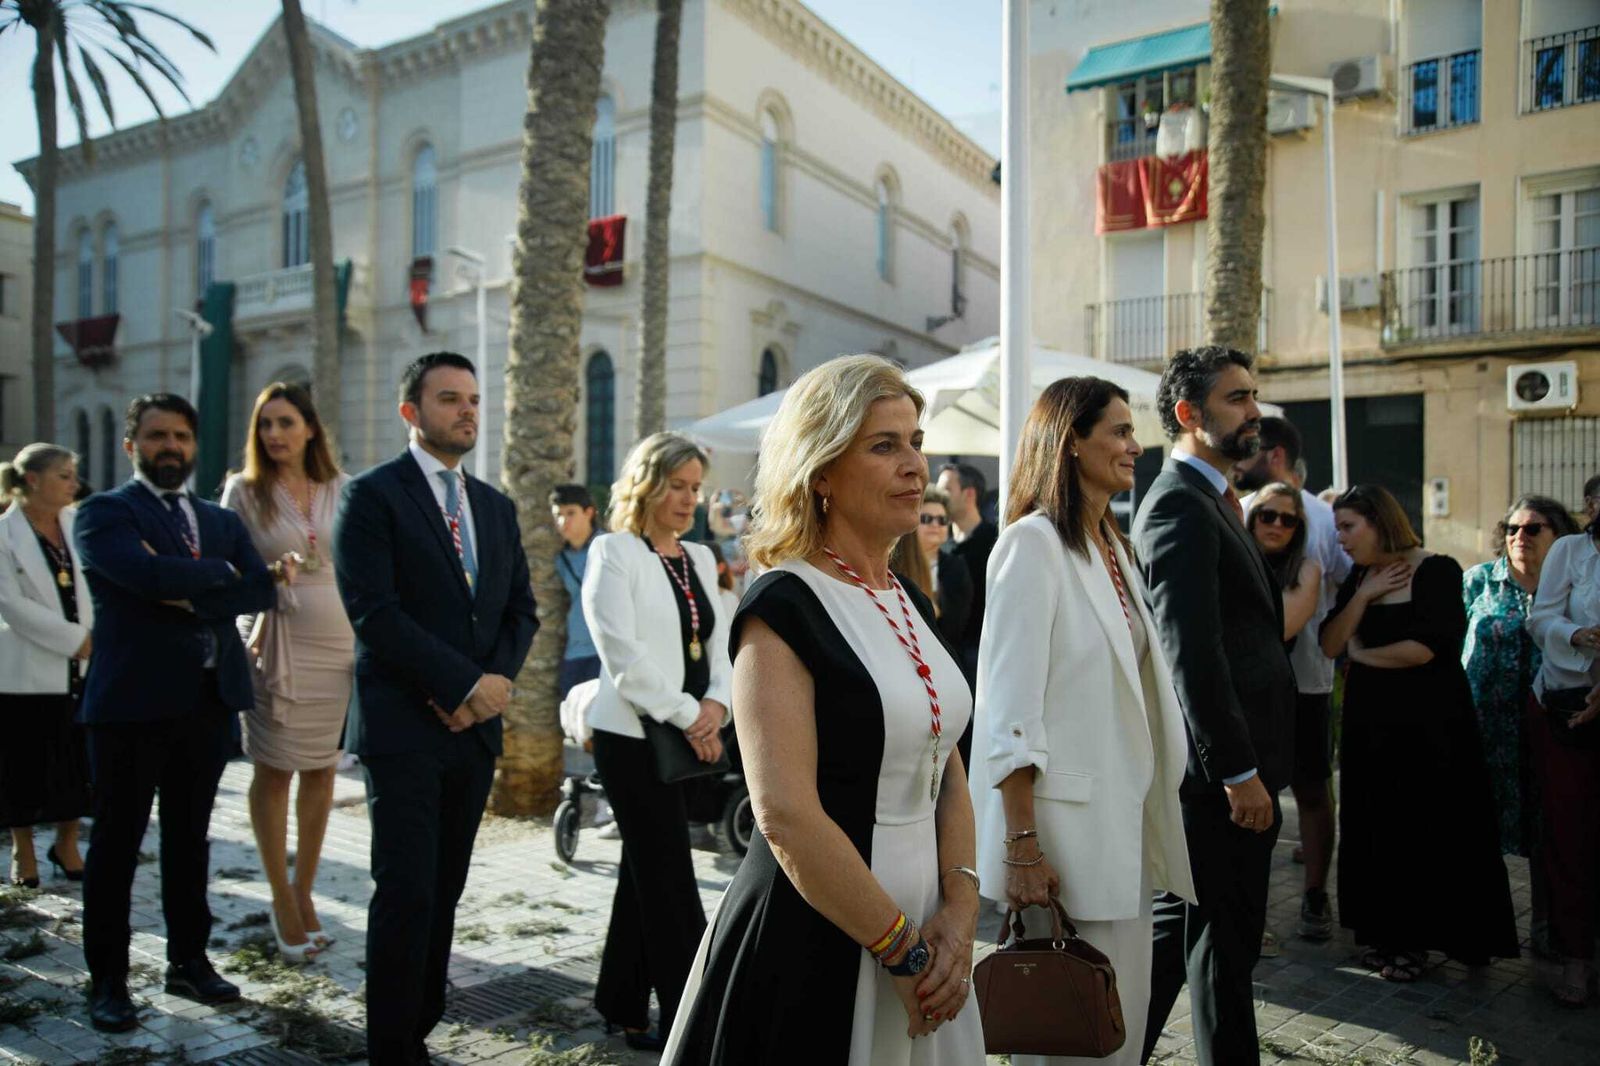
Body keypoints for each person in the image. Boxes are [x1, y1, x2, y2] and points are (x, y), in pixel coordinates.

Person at [665, 354, 983, 1064]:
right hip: (817, 932)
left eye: (916, 442)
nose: (916, 466)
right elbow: (785, 814)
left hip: (930, 927)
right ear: (821, 473)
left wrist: (961, 910)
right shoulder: (783, 606)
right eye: (884, 445)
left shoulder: (908, 599)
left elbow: (948, 767)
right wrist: (903, 952)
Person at [972, 377, 1194, 1066]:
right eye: (1120, 431)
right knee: (1067, 1037)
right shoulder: (1033, 544)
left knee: (1115, 1031)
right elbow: (1009, 711)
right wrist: (1023, 847)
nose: (1136, 446)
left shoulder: (1111, 546)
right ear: (1071, 441)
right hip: (1063, 843)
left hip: (1125, 828)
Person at [332, 352, 538, 1064]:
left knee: (445, 888)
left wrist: (491, 689)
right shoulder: (372, 496)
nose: (467, 410)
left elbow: (521, 610)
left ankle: (420, 1024)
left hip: (473, 731)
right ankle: (391, 1046)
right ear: (410, 411)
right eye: (449, 398)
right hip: (403, 727)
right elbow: (375, 612)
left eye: (473, 399)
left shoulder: (495, 507)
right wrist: (461, 686)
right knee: (406, 890)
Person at [74, 394, 290, 1032]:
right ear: (131, 445)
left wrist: (187, 585)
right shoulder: (105, 512)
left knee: (189, 841)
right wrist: (216, 576)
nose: (170, 447)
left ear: (194, 445)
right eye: (157, 436)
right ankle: (108, 982)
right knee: (116, 846)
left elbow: (260, 589)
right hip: (130, 707)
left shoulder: (217, 519)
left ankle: (188, 962)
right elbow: (140, 577)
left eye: (181, 437)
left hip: (206, 703)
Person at [1133, 346, 1296, 1066]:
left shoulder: (1215, 499)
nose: (1255, 411)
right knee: (1220, 954)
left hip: (1231, 772)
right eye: (1237, 398)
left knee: (1196, 944)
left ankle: (1107, 1054)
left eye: (1253, 395)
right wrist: (1236, 771)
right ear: (1189, 413)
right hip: (1218, 782)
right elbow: (1190, 652)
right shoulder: (1178, 504)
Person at [1320, 484, 1517, 983]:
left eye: (1348, 527)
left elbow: (1426, 649)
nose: (1340, 538)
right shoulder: (1359, 578)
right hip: (1371, 726)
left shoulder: (1437, 570)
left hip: (1431, 726)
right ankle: (1390, 936)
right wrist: (1363, 596)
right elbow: (1330, 643)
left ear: (1379, 522)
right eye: (1338, 528)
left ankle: (1439, 938)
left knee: (1431, 828)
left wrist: (1363, 654)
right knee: (1378, 827)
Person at [579, 433, 730, 1051]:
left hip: (688, 733)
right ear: (646, 485)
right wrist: (692, 715)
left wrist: (717, 705)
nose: (689, 499)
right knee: (669, 875)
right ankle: (694, 1016)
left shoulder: (699, 557)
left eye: (696, 488)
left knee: (644, 868)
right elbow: (623, 656)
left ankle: (621, 1002)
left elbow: (720, 641)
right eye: (677, 486)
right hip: (632, 738)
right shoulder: (613, 551)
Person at [220, 382, 354, 963]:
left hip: (339, 645)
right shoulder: (243, 491)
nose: (275, 434)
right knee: (274, 770)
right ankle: (279, 896)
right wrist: (270, 573)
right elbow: (226, 571)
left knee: (322, 770)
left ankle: (304, 890)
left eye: (286, 422)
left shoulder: (342, 487)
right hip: (276, 644)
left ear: (310, 428)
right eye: (266, 424)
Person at [1235, 417, 1351, 944]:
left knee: (1310, 789)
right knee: (1246, 795)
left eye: (1286, 519)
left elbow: (1346, 581)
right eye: (1268, 517)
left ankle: (1314, 896)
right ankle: (1246, 907)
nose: (1278, 524)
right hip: (1246, 690)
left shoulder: (1322, 519)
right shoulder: (1236, 511)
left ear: (1274, 453)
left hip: (1306, 682)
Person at [1463, 495, 1578, 960]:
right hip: (1484, 729)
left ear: (1559, 536)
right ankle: (1478, 930)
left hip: (1551, 728)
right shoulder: (1478, 581)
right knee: (1478, 831)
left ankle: (1547, 929)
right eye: (1512, 528)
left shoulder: (1572, 586)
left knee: (1548, 831)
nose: (1519, 537)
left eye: (1533, 529)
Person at [0, 444, 93, 888]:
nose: (74, 484)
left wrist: (93, 637)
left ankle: (67, 842)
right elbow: (10, 604)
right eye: (64, 475)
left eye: (74, 474)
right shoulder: (5, 534)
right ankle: (24, 848)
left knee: (75, 762)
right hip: (27, 668)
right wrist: (75, 640)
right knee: (23, 763)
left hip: (82, 667)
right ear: (33, 480)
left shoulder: (78, 524)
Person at [1525, 497, 1600, 1005]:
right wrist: (1575, 633)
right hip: (1566, 707)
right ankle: (1575, 956)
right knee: (1570, 834)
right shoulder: (1572, 551)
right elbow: (1541, 619)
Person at [890, 486, 973, 651]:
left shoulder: (957, 567)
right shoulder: (892, 563)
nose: (935, 525)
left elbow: (956, 625)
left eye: (942, 520)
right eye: (926, 519)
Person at [935, 463, 995, 678]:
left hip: (981, 654)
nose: (938, 497)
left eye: (946, 490)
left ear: (969, 494)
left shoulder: (995, 541)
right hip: (945, 653)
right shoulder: (940, 545)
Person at [551, 484, 602, 699]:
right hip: (575, 653)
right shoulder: (560, 559)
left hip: (605, 652)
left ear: (589, 513)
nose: (564, 521)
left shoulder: (609, 547)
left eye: (571, 513)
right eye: (558, 515)